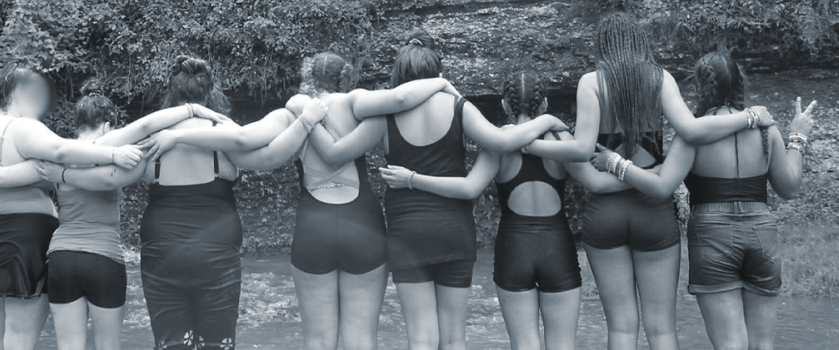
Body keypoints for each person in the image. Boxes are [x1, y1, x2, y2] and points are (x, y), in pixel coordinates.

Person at [140, 51, 459, 350]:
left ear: (307, 77)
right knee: (361, 339)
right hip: (363, 226)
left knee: (318, 342)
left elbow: (248, 141)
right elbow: (402, 98)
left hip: (313, 229)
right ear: (344, 77)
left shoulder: (292, 110)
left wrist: (181, 134)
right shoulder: (358, 103)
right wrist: (440, 82)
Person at [515, 13, 776, 350]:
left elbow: (581, 150)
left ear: (603, 45)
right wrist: (751, 115)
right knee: (662, 330)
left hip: (605, 214)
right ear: (639, 42)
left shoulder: (591, 82)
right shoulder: (659, 77)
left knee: (622, 330)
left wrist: (528, 143)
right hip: (653, 210)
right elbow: (692, 130)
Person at [303, 31, 568, 350]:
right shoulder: (458, 106)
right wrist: (548, 120)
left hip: (408, 233)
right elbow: (502, 142)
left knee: (421, 339)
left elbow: (335, 154)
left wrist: (303, 116)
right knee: (455, 338)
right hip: (454, 230)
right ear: (436, 72)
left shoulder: (385, 116)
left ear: (400, 75)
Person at [0, 78, 230, 350]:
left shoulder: (57, 156)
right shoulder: (116, 148)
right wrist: (193, 110)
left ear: (76, 124)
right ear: (108, 125)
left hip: (61, 258)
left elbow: (1, 177)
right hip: (104, 257)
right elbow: (146, 127)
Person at [379, 71, 635, 350]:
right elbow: (597, 183)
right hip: (557, 248)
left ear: (504, 105)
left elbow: (469, 188)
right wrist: (647, 179)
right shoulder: (563, 139)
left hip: (514, 250)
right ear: (545, 104)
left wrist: (412, 179)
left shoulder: (498, 143)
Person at [591, 52, 815, 350]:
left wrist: (615, 162)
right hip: (762, 233)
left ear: (699, 88)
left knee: (730, 344)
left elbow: (661, 187)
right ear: (740, 83)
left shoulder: (693, 134)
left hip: (713, 234)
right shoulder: (766, 129)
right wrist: (797, 137)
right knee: (762, 344)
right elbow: (789, 188)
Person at [118, 55, 327, 350]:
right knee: (217, 344)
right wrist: (304, 122)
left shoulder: (152, 137)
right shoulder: (224, 134)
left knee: (171, 344)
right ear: (209, 92)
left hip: (162, 249)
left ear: (170, 91)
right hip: (216, 248)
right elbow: (271, 157)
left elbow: (109, 163)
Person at [0, 63, 142, 350]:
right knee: (20, 337)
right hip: (24, 241)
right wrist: (114, 152)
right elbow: (62, 152)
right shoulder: (23, 127)